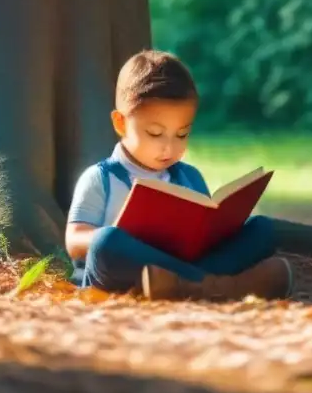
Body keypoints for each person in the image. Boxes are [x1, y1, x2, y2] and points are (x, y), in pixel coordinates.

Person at [64, 49, 294, 301]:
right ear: (120, 123)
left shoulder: (189, 177)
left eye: (182, 134)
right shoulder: (100, 177)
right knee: (107, 243)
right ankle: (219, 285)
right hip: (123, 273)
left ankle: (187, 285)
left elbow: (206, 234)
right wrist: (120, 233)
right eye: (154, 133)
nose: (169, 147)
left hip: (183, 264)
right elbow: (74, 242)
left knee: (261, 229)